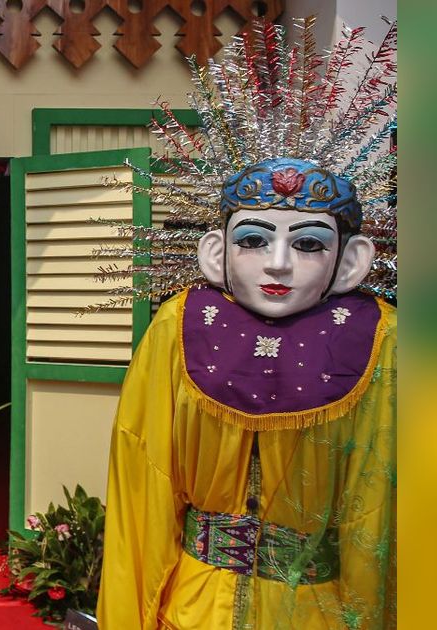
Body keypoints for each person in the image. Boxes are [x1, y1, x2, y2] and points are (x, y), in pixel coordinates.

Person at [96, 21, 396, 630]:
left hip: (317, 608)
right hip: (194, 603)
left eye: (310, 243)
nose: (279, 263)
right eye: (254, 240)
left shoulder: (376, 339)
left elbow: (382, 510)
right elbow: (144, 482)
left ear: (351, 261)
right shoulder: (182, 325)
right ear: (216, 254)